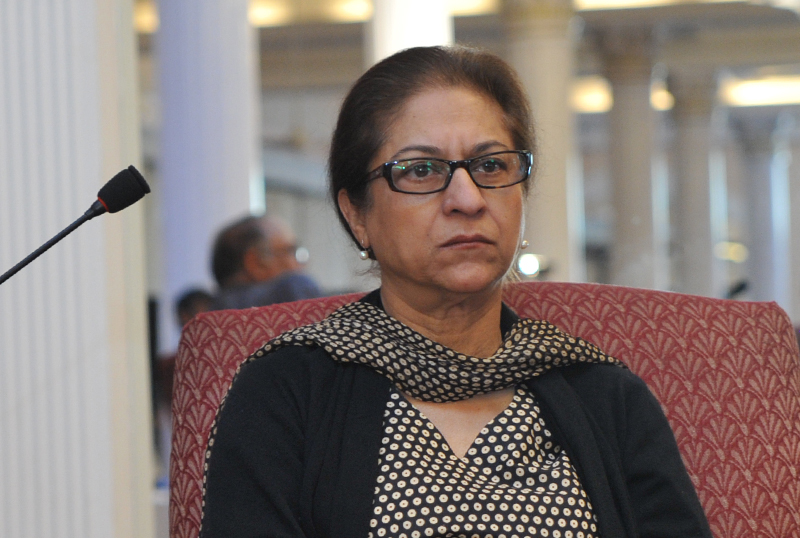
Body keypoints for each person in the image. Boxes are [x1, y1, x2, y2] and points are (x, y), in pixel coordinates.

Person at [200, 46, 712, 538]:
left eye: (490, 166)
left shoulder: (604, 395)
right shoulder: (287, 391)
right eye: (421, 170)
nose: (467, 199)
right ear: (357, 215)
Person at [209, 214, 321, 310]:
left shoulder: (208, 319)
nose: (301, 264)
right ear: (255, 264)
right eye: (290, 251)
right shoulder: (292, 289)